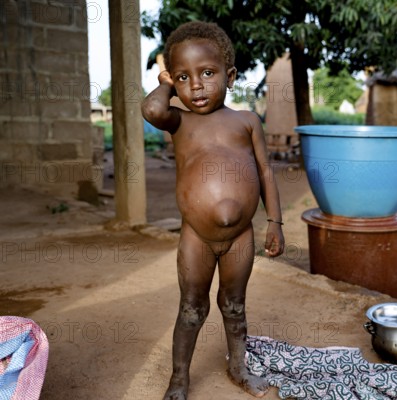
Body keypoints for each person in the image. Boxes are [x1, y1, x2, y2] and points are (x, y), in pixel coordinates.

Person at [141, 21, 285, 399]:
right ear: (174, 81)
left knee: (234, 306)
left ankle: (238, 369)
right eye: (184, 78)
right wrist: (165, 83)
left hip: (240, 236)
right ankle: (179, 380)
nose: (197, 85)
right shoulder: (180, 121)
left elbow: (267, 172)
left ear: (230, 75)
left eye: (207, 73)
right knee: (191, 308)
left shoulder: (246, 121)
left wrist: (275, 221)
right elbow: (153, 109)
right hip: (197, 237)